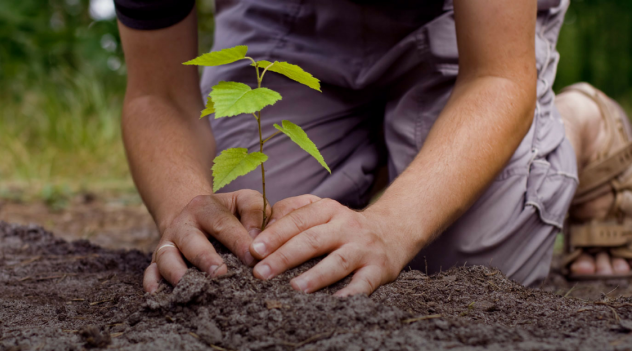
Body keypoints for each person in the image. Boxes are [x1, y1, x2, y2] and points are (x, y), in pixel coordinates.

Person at [115, 0, 632, 296]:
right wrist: (185, 205)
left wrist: (393, 228)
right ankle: (399, 158)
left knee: (461, 263)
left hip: (464, 17)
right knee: (258, 237)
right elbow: (157, 93)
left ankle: (580, 124)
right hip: (286, 12)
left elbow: (496, 75)